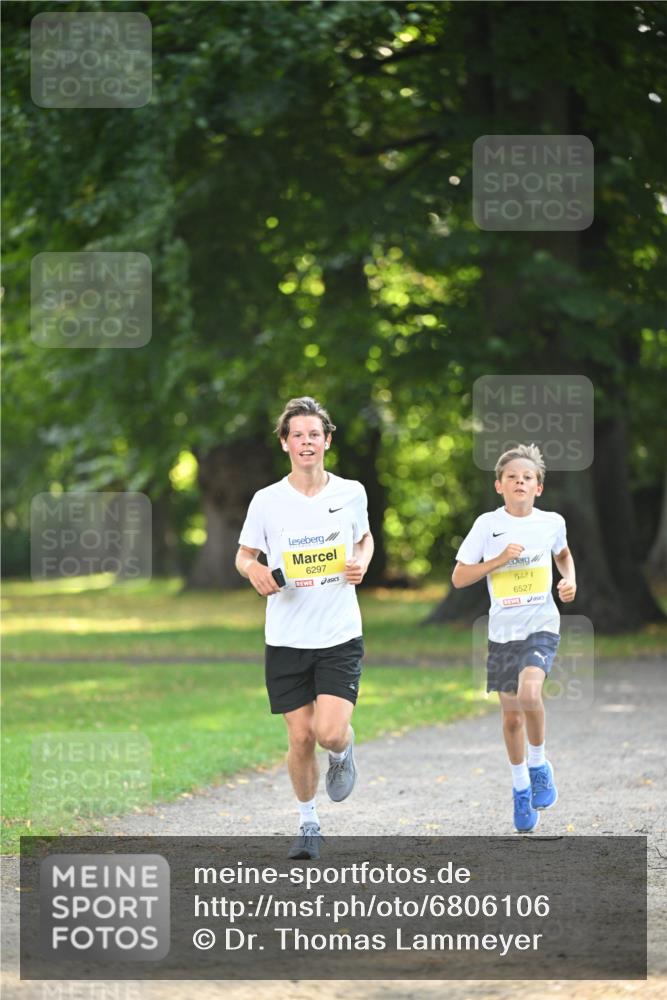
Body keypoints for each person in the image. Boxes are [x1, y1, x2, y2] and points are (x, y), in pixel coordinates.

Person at [235, 396, 374, 859]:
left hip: (338, 633)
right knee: (299, 736)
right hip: (286, 636)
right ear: (285, 443)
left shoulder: (351, 492)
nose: (307, 442)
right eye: (298, 435)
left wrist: (361, 563)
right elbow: (244, 554)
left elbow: (364, 538)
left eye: (315, 434)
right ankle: (308, 823)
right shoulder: (267, 501)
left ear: (327, 440)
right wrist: (253, 571)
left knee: (329, 732)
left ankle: (342, 751)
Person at [451, 444, 577, 833]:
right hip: (502, 632)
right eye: (512, 477)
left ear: (538, 487)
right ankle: (521, 787)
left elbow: (563, 555)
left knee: (529, 695)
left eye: (527, 477)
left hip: (541, 623)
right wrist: (498, 561)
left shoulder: (551, 522)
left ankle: (539, 765)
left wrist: (570, 578)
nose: (520, 481)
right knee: (510, 720)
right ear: (499, 485)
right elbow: (459, 577)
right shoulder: (486, 525)